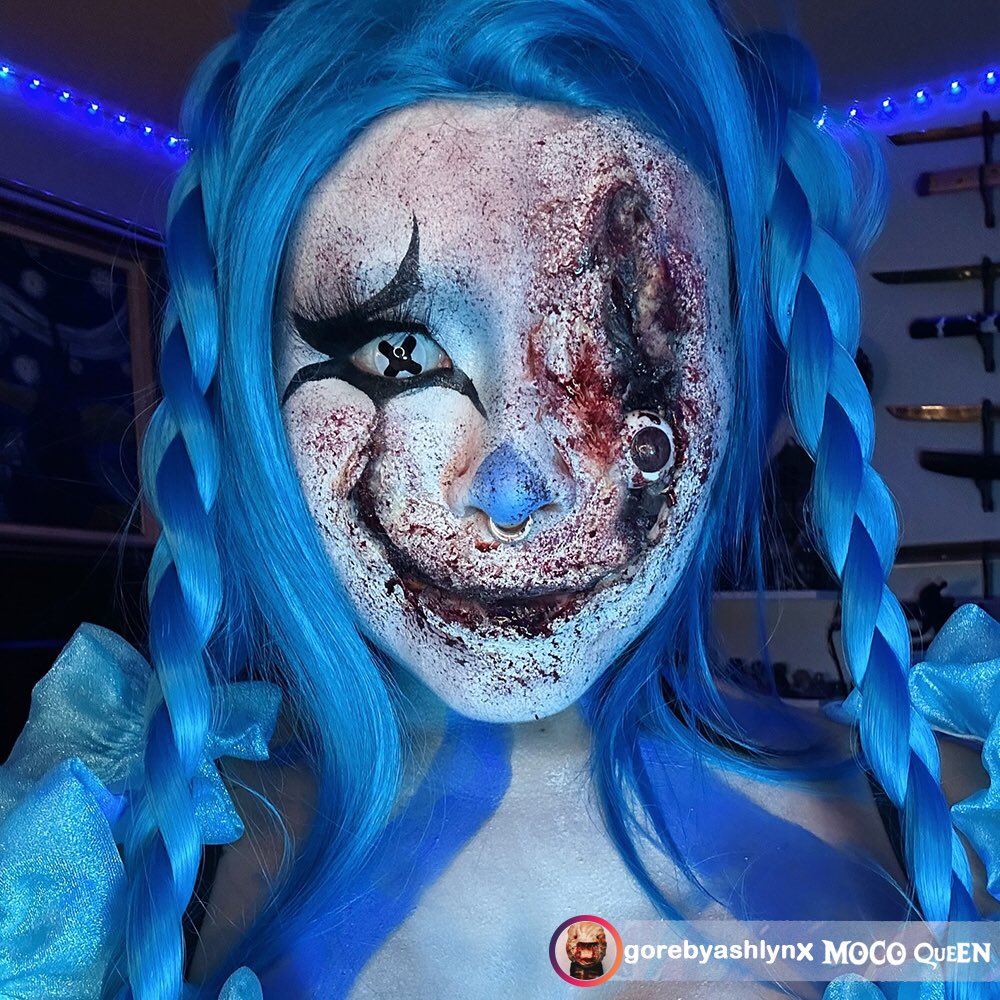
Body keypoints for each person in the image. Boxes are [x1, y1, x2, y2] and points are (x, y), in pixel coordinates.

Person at [1, 1, 998, 998]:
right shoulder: (102, 869)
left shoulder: (962, 815)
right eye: (401, 352)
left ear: (746, 380)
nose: (513, 489)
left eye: (614, 354)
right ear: (258, 400)